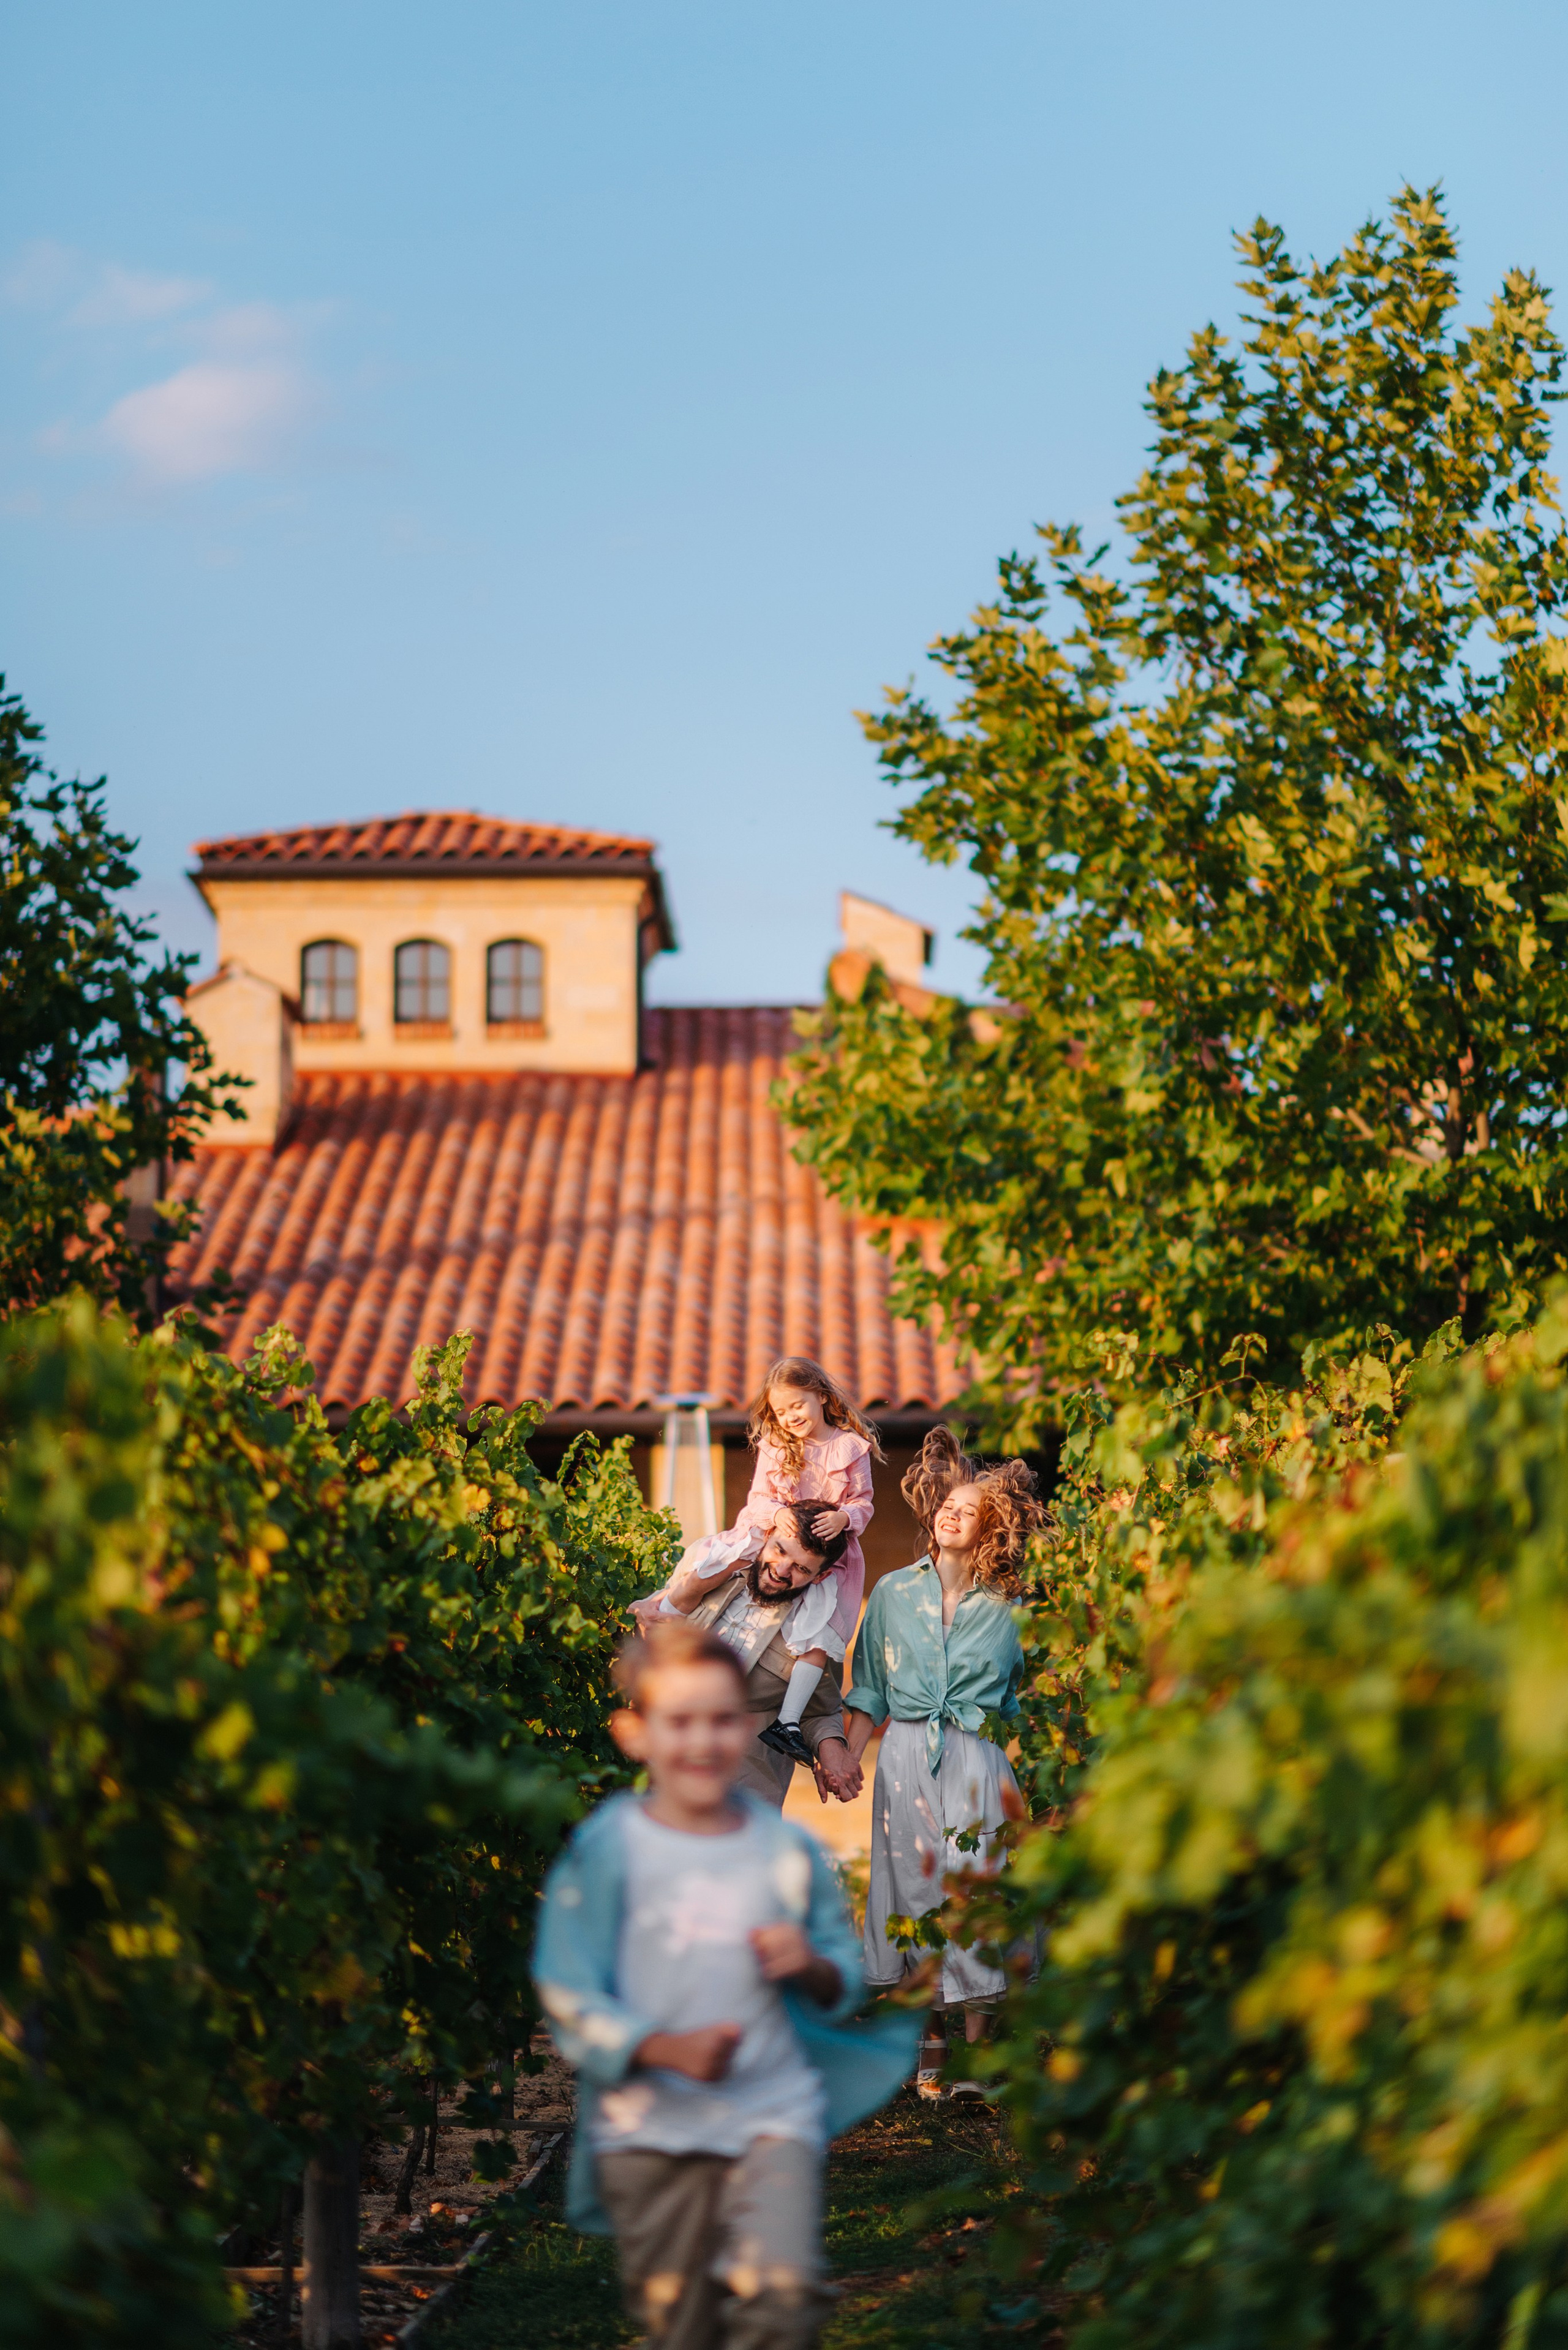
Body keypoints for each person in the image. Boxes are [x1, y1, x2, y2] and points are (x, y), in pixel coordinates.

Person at [533, 1619, 917, 2350]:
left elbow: (840, 1977)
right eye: (680, 1721)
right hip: (650, 2129)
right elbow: (567, 1986)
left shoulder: (783, 1848)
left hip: (769, 2114)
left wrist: (807, 1962)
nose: (703, 1741)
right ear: (634, 1733)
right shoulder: (611, 1848)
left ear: (747, 1731)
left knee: (779, 2307)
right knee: (682, 2325)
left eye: (721, 1719)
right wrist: (659, 2048)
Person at [840, 1428, 1045, 2097]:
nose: (951, 1513)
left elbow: (1030, 1694)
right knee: (915, 1889)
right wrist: (842, 1752)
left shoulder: (1011, 1606)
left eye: (968, 1508)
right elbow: (868, 1686)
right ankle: (931, 2041)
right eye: (945, 1505)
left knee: (975, 1889)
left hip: (978, 1758)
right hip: (903, 1756)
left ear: (992, 1525)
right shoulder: (894, 1594)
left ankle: (977, 2060)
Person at [635, 1358, 881, 1766]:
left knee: (818, 1632)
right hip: (772, 1533)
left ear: (821, 1395)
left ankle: (786, 1721)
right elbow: (759, 1496)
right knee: (717, 1561)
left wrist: (844, 1517)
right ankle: (661, 1606)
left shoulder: (850, 1447)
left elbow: (863, 1503)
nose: (790, 1417)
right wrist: (776, 1514)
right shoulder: (777, 1445)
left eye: (797, 1405)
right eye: (782, 1412)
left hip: (823, 1552)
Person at [674, 1504, 865, 1807]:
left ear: (821, 1576)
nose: (781, 1570)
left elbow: (821, 1711)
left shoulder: (816, 1628)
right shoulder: (709, 1566)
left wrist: (831, 1749)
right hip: (663, 1773)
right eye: (779, 1550)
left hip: (746, 1793)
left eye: (802, 1568)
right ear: (768, 1536)